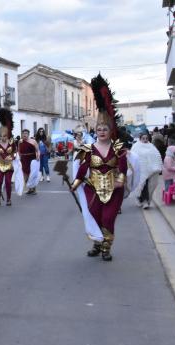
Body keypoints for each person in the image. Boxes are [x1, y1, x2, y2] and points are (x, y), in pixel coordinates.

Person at [71, 74, 127, 262]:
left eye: (105, 129)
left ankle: (106, 247)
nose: (102, 132)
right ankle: (97, 243)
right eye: (99, 129)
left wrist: (120, 181)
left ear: (111, 131)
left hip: (114, 190)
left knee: (108, 218)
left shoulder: (118, 149)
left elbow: (123, 168)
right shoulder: (88, 149)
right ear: (96, 131)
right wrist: (75, 183)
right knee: (94, 216)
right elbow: (83, 168)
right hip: (93, 189)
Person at [131, 132, 163, 209]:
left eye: (146, 138)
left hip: (151, 171)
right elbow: (133, 159)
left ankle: (145, 200)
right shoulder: (136, 147)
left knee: (150, 186)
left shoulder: (151, 146)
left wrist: (157, 167)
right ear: (140, 139)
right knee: (142, 186)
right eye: (143, 138)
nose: (145, 140)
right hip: (141, 171)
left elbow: (156, 157)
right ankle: (144, 201)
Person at [0, 108, 17, 206]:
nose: (3, 138)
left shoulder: (12, 144)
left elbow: (15, 153)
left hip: (9, 166)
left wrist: (12, 157)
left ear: (7, 136)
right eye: (1, 136)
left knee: (7, 183)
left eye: (5, 136)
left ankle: (8, 199)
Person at [18, 129, 40, 194]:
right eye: (23, 133)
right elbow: (19, 150)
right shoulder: (20, 142)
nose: (24, 135)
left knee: (32, 175)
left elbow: (37, 150)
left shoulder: (33, 141)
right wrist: (18, 157)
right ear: (22, 134)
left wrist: (38, 156)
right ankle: (30, 188)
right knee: (25, 175)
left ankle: (34, 189)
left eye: (26, 133)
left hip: (32, 159)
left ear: (28, 134)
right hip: (24, 159)